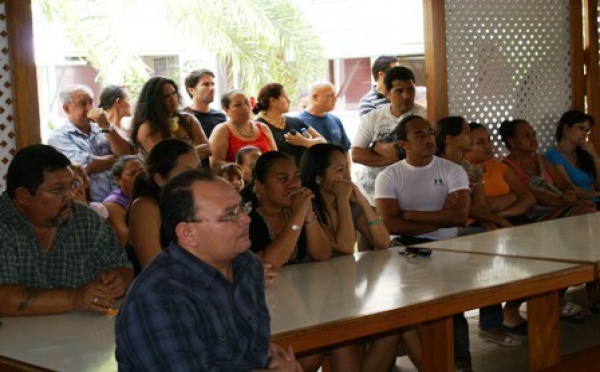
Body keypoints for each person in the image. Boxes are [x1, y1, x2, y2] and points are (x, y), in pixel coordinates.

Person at [115, 169, 300, 371]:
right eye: (230, 215)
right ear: (188, 233)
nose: (246, 219)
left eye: (242, 208)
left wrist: (270, 358)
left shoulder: (246, 265)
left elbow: (249, 349)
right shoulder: (157, 296)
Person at [374, 115, 472, 371]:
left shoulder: (452, 170)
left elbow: (459, 216)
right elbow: (390, 225)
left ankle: (460, 361)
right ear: (403, 143)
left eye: (430, 133)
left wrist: (408, 214)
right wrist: (441, 216)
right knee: (403, 304)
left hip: (447, 248)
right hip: (403, 247)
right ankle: (398, 356)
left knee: (452, 304)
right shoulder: (389, 176)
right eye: (419, 135)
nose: (429, 139)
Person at [0, 144, 132, 316]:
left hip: (83, 336)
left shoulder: (86, 220)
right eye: (58, 189)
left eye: (72, 184)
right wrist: (74, 298)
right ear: (23, 196)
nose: (71, 195)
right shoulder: (4, 224)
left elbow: (123, 268)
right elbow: (3, 299)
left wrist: (118, 280)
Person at [352, 66, 427, 206]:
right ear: (387, 93)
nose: (407, 96)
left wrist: (375, 147)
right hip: (369, 195)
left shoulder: (423, 118)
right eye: (399, 91)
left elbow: (411, 154)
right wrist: (396, 155)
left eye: (410, 89)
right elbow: (356, 155)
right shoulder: (373, 117)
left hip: (405, 195)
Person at [299, 143, 390, 254]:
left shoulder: (351, 203)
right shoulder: (308, 206)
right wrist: (342, 199)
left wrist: (364, 202)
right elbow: (345, 247)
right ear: (318, 178)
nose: (347, 175)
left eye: (347, 167)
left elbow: (383, 242)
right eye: (340, 170)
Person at [127, 139, 200, 275]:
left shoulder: (194, 204)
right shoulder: (145, 207)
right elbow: (155, 269)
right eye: (186, 173)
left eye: (197, 170)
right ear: (160, 179)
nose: (196, 178)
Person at [48, 84, 132, 202]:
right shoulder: (59, 137)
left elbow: (127, 154)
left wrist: (106, 126)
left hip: (121, 199)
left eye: (91, 103)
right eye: (83, 104)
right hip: (89, 203)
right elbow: (87, 166)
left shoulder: (102, 129)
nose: (90, 109)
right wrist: (116, 158)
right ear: (67, 109)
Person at [500, 119, 597, 220]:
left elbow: (562, 183)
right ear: (511, 142)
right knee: (586, 215)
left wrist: (570, 193)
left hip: (561, 205)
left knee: (590, 212)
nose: (533, 139)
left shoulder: (541, 159)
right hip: (538, 213)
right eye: (526, 135)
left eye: (533, 134)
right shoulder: (506, 167)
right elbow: (532, 195)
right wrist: (564, 202)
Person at [435, 116, 513, 232]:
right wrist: (499, 220)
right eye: (467, 133)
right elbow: (461, 206)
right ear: (450, 139)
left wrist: (492, 227)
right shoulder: (438, 168)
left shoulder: (472, 169)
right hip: (445, 228)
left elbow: (481, 207)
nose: (471, 138)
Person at [465, 123, 536, 225]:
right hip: (477, 225)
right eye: (479, 142)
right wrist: (513, 197)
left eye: (488, 140)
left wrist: (503, 214)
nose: (487, 145)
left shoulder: (497, 166)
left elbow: (529, 198)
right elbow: (484, 207)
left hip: (509, 218)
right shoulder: (461, 171)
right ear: (464, 146)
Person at [130, 77, 211, 161]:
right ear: (154, 101)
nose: (173, 99)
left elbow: (208, 149)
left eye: (174, 93)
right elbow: (164, 161)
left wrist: (181, 155)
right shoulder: (148, 127)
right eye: (166, 96)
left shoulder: (188, 119)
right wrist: (193, 151)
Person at [253, 82, 325, 164]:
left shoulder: (295, 121)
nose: (289, 101)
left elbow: (323, 141)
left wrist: (305, 142)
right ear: (273, 101)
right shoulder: (259, 127)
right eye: (285, 97)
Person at [209, 90, 277, 169]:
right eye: (238, 105)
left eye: (246, 102)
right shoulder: (222, 130)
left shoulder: (263, 127)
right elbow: (215, 164)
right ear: (226, 110)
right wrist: (244, 170)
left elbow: (276, 157)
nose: (245, 108)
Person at [545, 110, 600, 206]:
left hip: (595, 200)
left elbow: (598, 185)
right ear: (566, 128)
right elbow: (571, 188)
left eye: (587, 130)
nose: (584, 134)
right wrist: (595, 194)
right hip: (579, 205)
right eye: (581, 128)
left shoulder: (583, 153)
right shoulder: (553, 155)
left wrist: (594, 155)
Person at [296, 82, 351, 152]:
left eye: (334, 95)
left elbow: (345, 150)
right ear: (315, 97)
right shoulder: (299, 122)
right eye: (328, 96)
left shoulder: (336, 120)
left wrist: (348, 163)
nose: (334, 99)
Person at [103, 155, 145, 247]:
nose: (139, 176)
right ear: (118, 180)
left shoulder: (149, 193)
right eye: (132, 173)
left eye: (142, 172)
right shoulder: (112, 204)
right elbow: (125, 239)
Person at [183, 69, 227, 138]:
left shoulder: (220, 117)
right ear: (191, 90)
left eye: (213, 84)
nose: (212, 88)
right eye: (206, 84)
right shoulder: (183, 117)